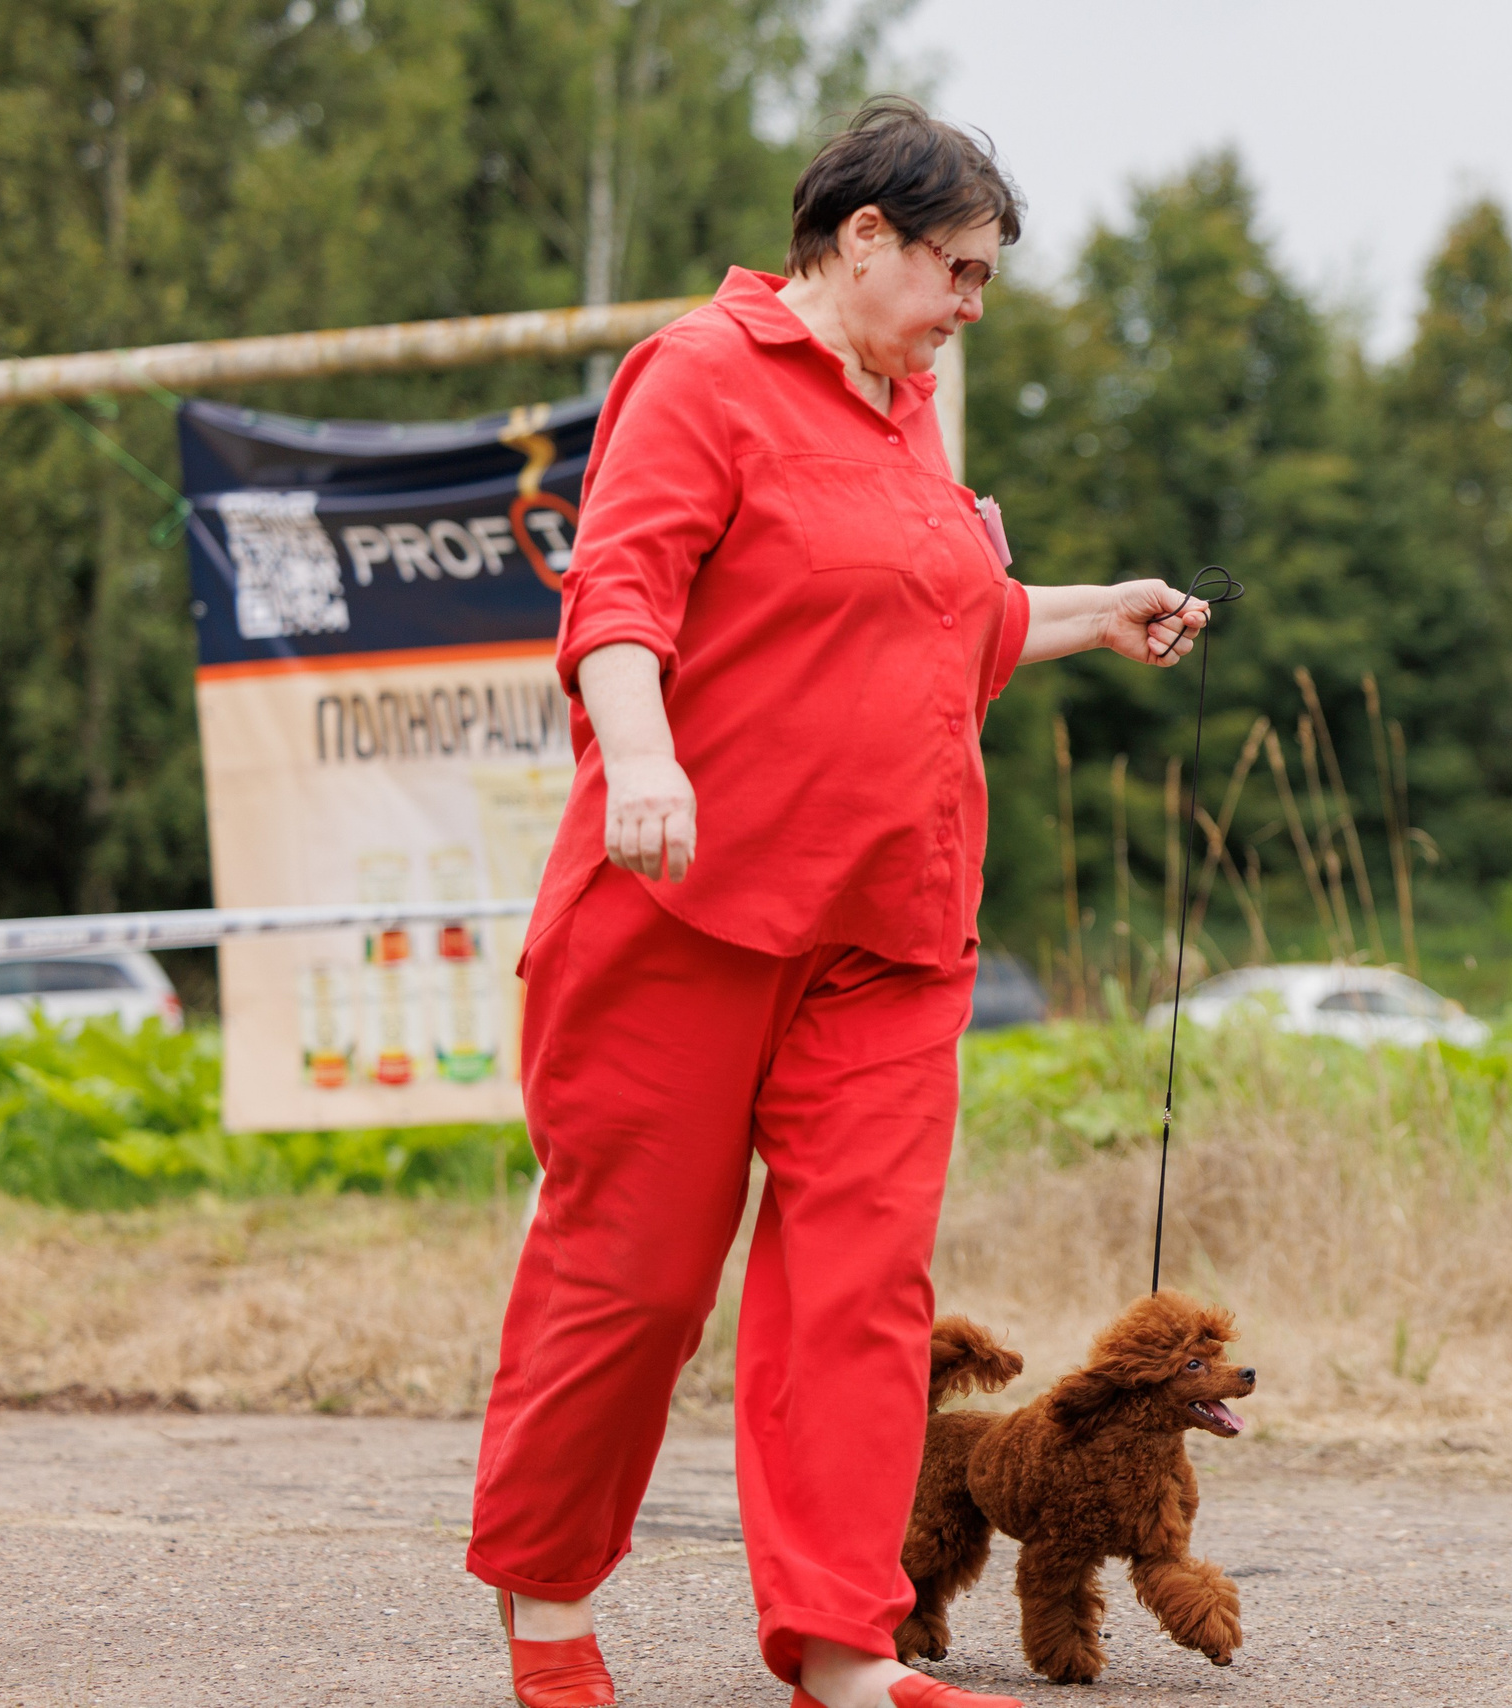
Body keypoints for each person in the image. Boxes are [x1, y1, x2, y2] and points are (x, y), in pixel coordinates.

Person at [466, 97, 1210, 1708]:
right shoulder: (702, 373)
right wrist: (644, 758)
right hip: (686, 912)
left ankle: (839, 1645)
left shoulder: (908, 412)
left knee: (863, 1296)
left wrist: (1097, 612)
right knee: (638, 1280)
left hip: (889, 932)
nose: (969, 305)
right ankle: (541, 1605)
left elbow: (931, 626)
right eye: (958, 268)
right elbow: (622, 591)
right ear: (861, 238)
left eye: (983, 281)